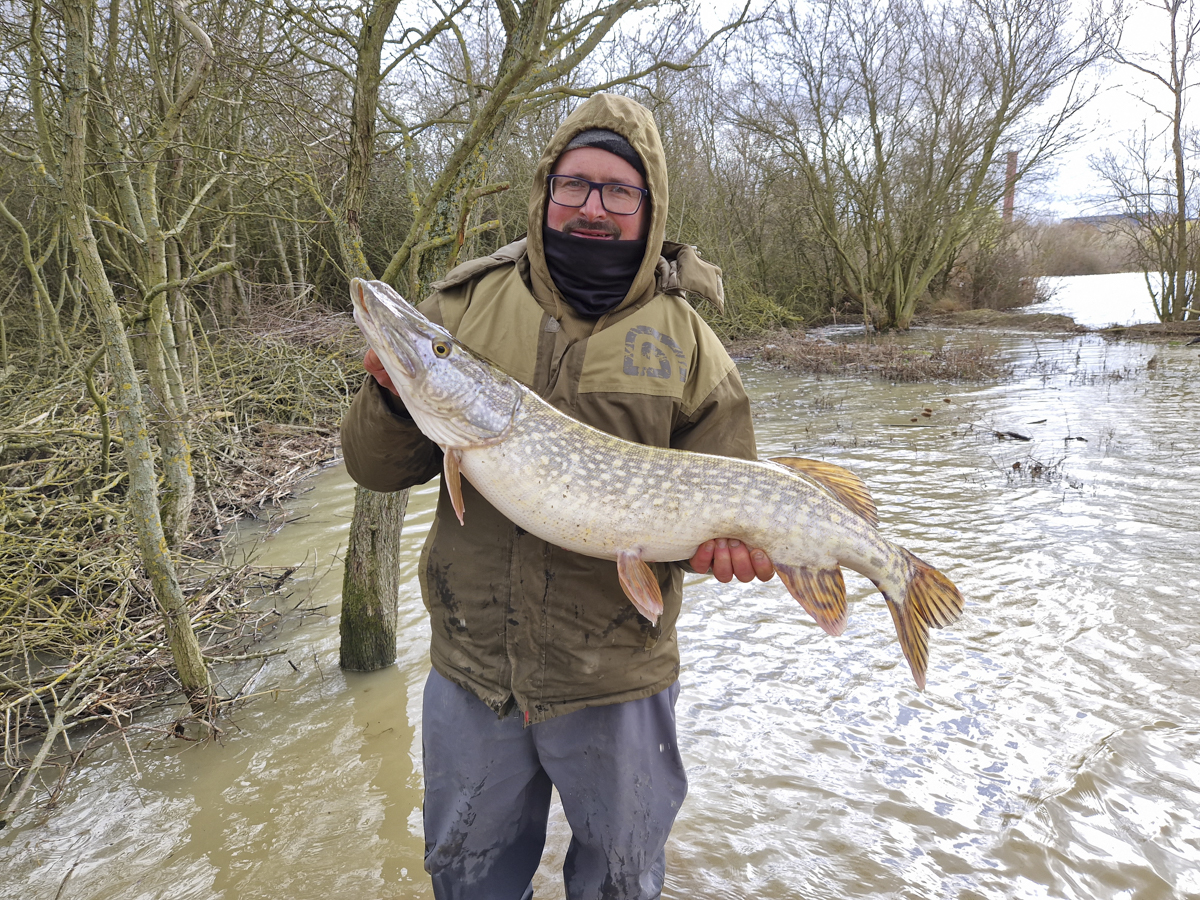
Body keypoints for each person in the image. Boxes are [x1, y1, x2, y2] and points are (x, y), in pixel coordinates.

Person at [341, 93, 773, 900]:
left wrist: (726, 552)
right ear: (546, 190)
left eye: (619, 190)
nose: (593, 207)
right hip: (475, 668)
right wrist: (396, 400)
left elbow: (724, 500)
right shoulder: (461, 308)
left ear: (649, 208)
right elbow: (375, 469)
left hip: (619, 676)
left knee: (620, 884)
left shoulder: (691, 347)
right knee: (468, 881)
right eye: (575, 184)